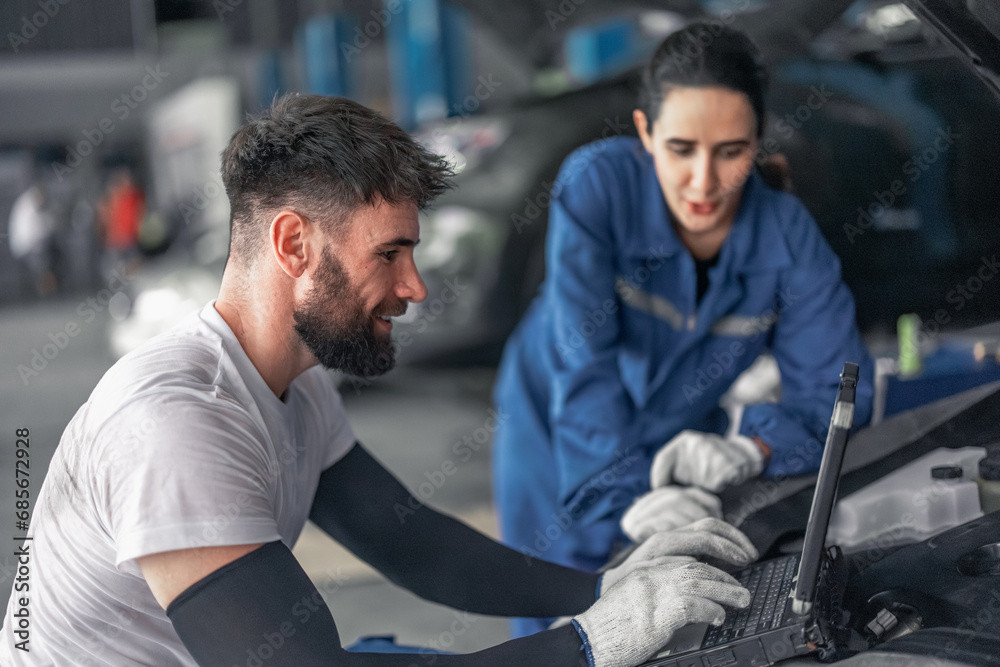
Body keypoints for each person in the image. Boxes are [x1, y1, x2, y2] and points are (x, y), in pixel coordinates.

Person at [0, 94, 760, 667]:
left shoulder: (291, 381)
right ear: (294, 243)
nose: (416, 285)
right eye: (390, 254)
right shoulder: (174, 424)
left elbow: (411, 542)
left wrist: (607, 584)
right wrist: (593, 643)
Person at [491, 22, 874, 637]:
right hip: (553, 415)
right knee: (553, 605)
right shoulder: (597, 188)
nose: (703, 181)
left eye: (731, 151)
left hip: (674, 431)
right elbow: (581, 364)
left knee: (660, 617)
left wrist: (755, 447)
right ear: (645, 133)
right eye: (681, 149)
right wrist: (625, 495)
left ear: (757, 142)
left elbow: (835, 399)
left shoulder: (787, 234)